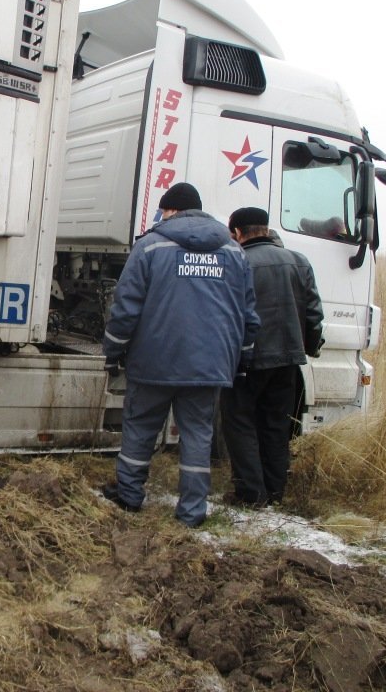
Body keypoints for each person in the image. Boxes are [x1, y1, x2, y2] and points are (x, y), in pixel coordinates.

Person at [101, 183, 260, 527]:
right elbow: (248, 314)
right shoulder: (234, 253)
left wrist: (112, 352)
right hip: (209, 365)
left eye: (163, 211)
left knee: (140, 429)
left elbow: (125, 308)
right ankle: (191, 512)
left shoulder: (150, 247)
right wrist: (243, 358)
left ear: (171, 211)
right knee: (198, 436)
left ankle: (129, 496)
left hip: (153, 361)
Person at [222, 207, 324, 507]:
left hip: (248, 360)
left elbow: (227, 314)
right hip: (288, 359)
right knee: (276, 426)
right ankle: (276, 492)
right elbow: (314, 313)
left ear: (237, 233)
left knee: (240, 423)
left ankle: (251, 494)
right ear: (265, 229)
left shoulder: (237, 262)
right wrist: (310, 345)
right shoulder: (299, 261)